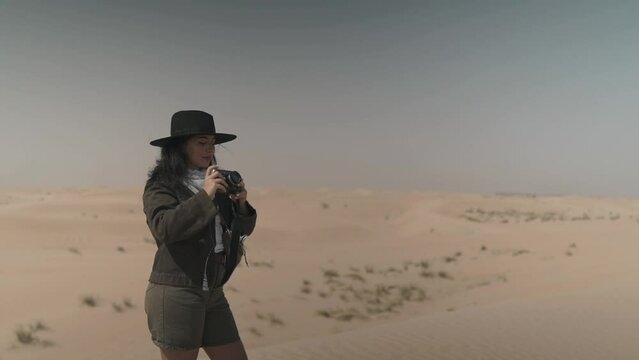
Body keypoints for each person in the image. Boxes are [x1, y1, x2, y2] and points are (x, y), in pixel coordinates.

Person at [143, 110, 257, 360]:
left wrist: (240, 205)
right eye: (201, 142)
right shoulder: (162, 184)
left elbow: (242, 230)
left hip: (213, 292)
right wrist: (204, 196)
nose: (209, 149)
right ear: (180, 147)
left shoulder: (216, 182)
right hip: (177, 292)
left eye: (212, 143)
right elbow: (164, 228)